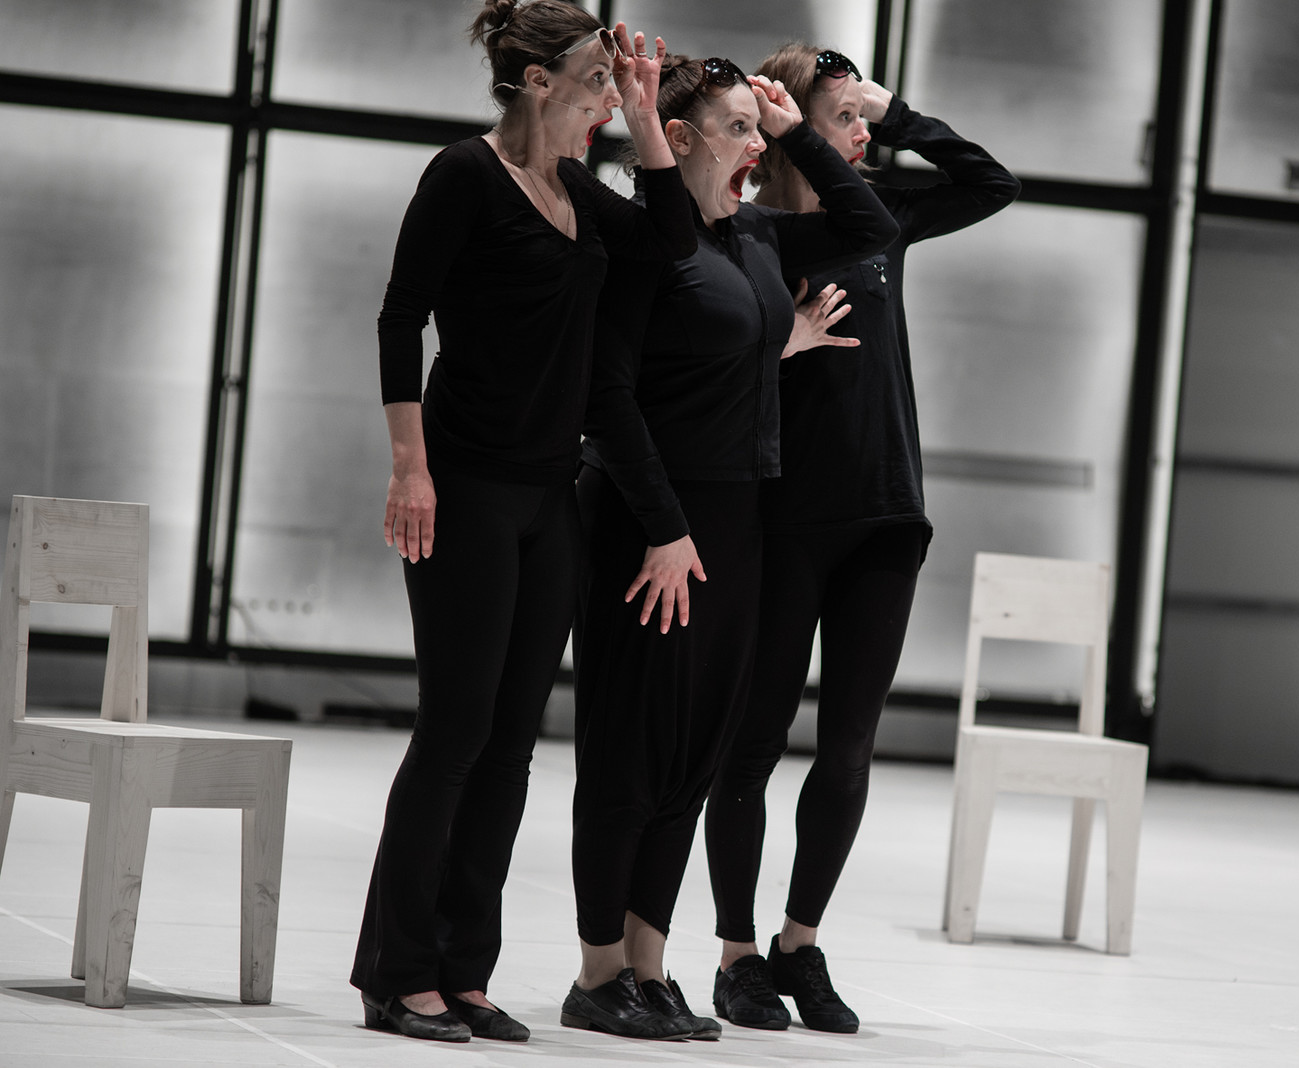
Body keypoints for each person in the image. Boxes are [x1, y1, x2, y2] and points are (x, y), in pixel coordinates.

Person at [349, 0, 694, 1045]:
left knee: (509, 749)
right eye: (598, 76)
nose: (609, 92)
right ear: (537, 81)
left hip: (551, 495)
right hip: (463, 485)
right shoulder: (463, 174)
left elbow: (670, 243)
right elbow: (400, 317)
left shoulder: (579, 189)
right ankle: (396, 972)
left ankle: (464, 970)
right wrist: (409, 468)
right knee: (454, 733)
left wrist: (648, 122)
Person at [565, 56, 898, 1041]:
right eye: (741, 128)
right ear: (681, 136)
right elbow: (608, 399)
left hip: (736, 527)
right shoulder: (643, 239)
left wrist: (797, 131)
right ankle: (597, 973)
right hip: (648, 525)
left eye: (761, 128)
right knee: (628, 756)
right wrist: (663, 527)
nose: (758, 145)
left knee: (690, 759)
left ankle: (649, 965)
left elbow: (870, 226)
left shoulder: (755, 235)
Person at [702, 44, 1021, 1034]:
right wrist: (779, 338)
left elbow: (992, 184)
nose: (862, 134)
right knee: (752, 744)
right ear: (790, 122)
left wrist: (899, 113)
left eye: (863, 121)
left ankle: (799, 943)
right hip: (783, 519)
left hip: (884, 516)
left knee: (846, 752)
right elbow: (705, 356)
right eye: (843, 117)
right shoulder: (752, 229)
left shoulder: (880, 211)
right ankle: (737, 954)